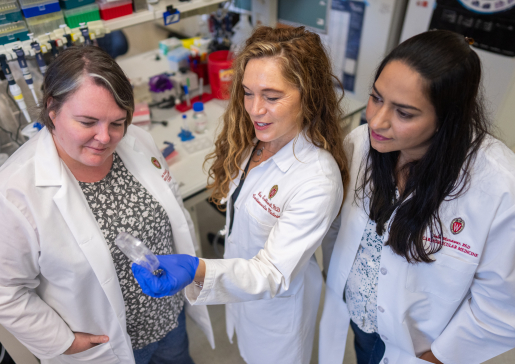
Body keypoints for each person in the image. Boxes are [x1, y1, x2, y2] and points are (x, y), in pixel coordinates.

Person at [131, 26, 349, 364]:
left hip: (276, 315)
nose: (254, 109)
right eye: (248, 92)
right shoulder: (258, 139)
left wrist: (197, 269)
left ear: (310, 95)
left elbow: (272, 273)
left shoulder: (317, 179)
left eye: (272, 96)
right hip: (243, 301)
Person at [0, 46, 214, 364]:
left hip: (169, 320)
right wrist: (62, 341)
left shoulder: (137, 141)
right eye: (88, 122)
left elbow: (174, 213)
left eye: (117, 122)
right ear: (53, 109)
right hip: (103, 346)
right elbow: (6, 292)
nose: (105, 137)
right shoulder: (14, 191)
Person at [319, 30, 515, 364]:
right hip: (358, 319)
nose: (376, 121)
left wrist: (435, 357)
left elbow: (501, 307)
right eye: (376, 97)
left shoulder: (499, 187)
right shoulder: (361, 144)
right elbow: (339, 230)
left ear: (447, 119)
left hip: (419, 350)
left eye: (404, 113)